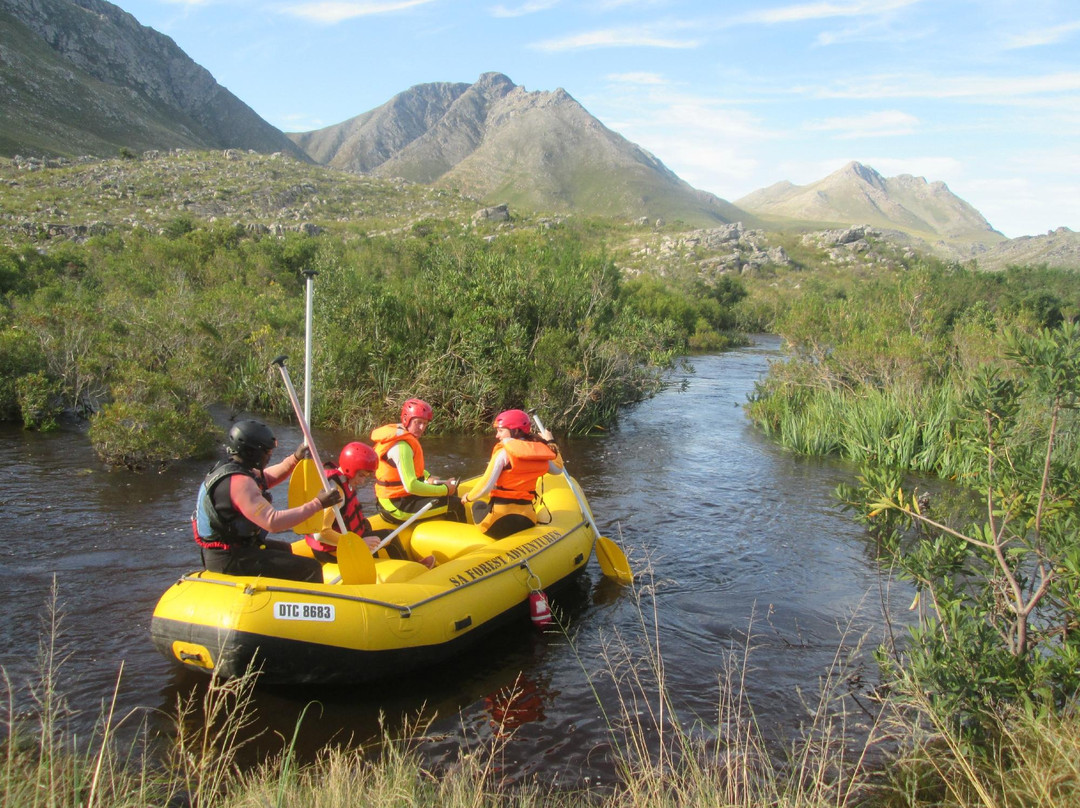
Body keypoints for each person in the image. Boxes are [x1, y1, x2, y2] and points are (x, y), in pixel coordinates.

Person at [192, 420, 341, 582]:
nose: (270, 456)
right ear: (252, 452)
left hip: (236, 548)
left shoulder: (232, 469)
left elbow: (267, 478)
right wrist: (318, 504)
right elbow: (273, 522)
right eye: (267, 452)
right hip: (229, 558)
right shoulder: (240, 483)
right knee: (311, 568)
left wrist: (294, 459)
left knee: (285, 549)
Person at [307, 441, 437, 569]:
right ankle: (411, 568)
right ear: (349, 468)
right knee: (389, 535)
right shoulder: (336, 492)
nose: (362, 481)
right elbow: (321, 533)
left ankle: (377, 563)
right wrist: (358, 543)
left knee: (366, 525)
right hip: (331, 552)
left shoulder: (339, 478)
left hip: (334, 545)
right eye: (361, 475)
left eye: (366, 476)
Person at [461, 409, 564, 538]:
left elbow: (485, 486)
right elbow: (558, 469)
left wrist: (468, 497)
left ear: (516, 431)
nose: (497, 435)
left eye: (501, 431)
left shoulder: (503, 454)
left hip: (497, 523)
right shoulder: (540, 453)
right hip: (527, 520)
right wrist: (551, 442)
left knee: (478, 504)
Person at [370, 398, 464, 524]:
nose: (422, 427)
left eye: (425, 423)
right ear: (406, 419)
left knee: (452, 491)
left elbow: (408, 468)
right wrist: (445, 489)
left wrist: (427, 477)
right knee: (456, 504)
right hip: (396, 506)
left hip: (401, 497)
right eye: (418, 422)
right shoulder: (402, 447)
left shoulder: (402, 437)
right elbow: (411, 486)